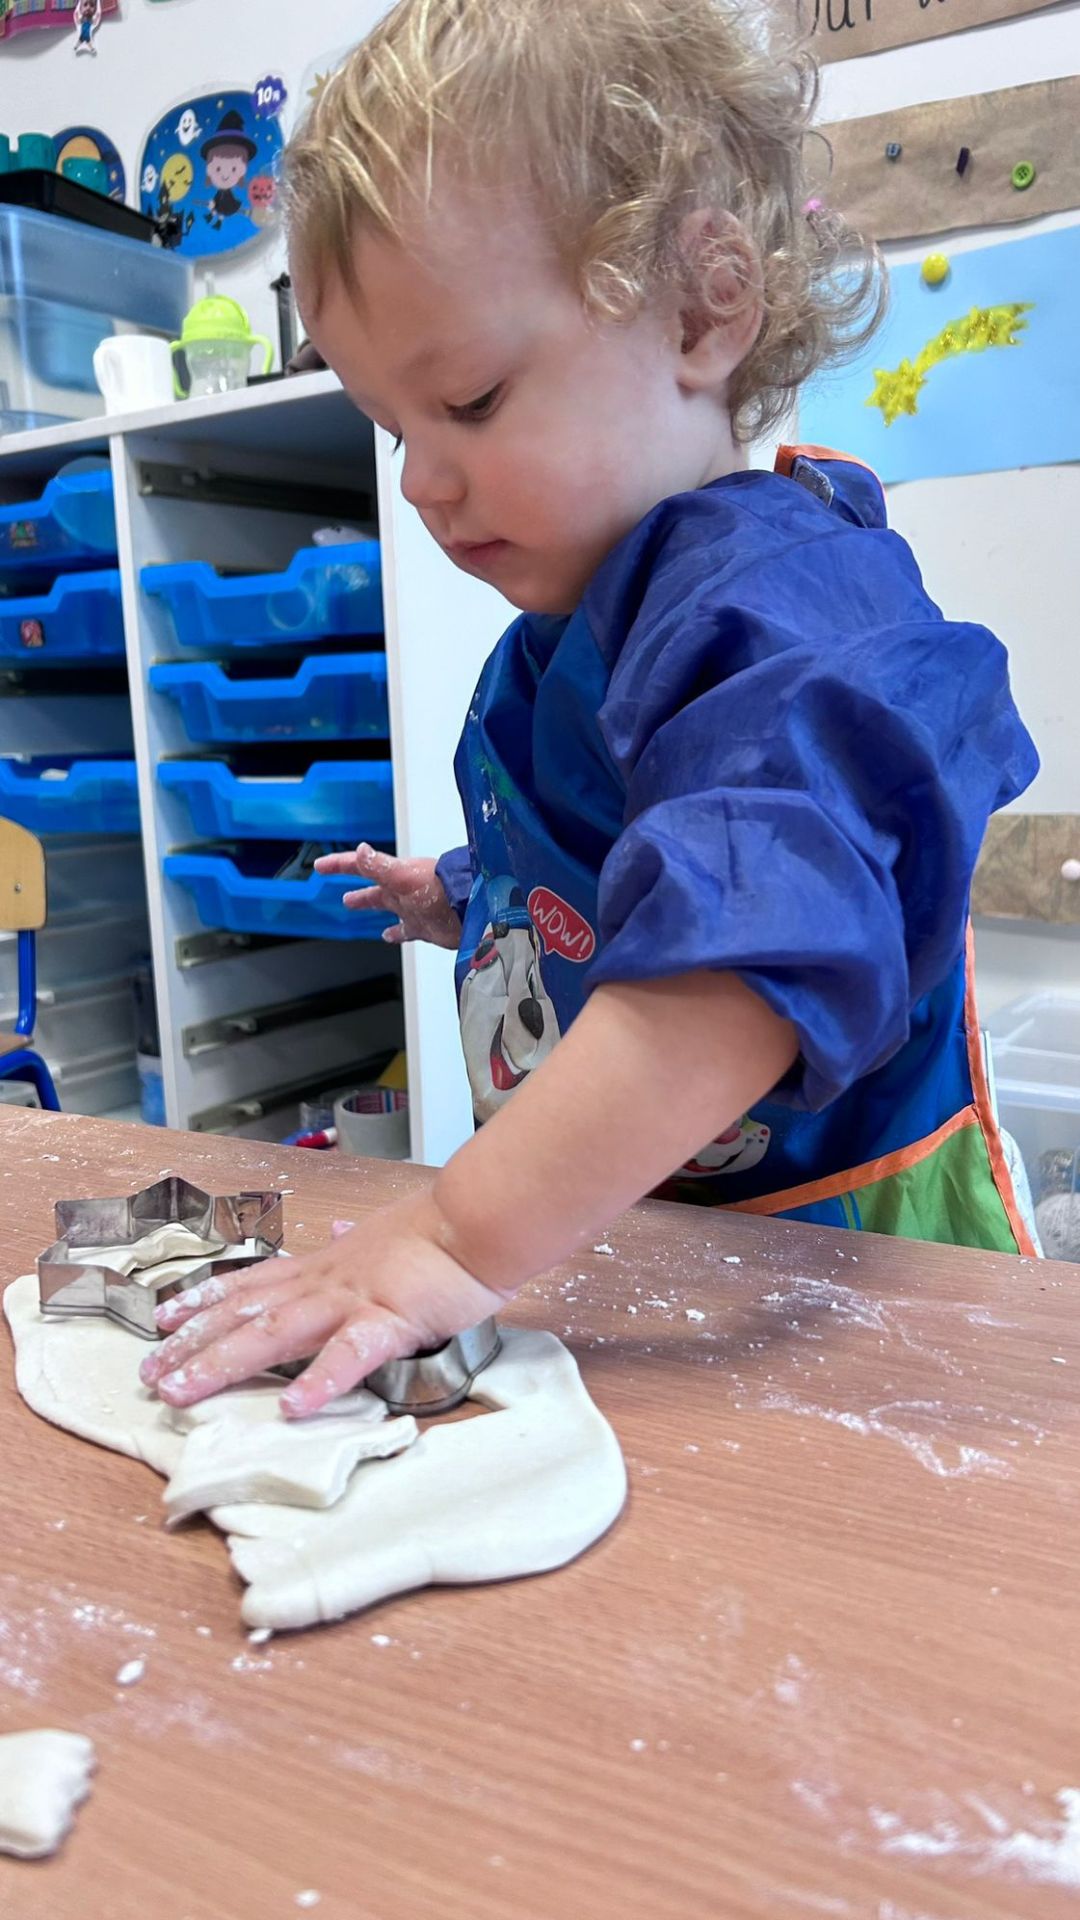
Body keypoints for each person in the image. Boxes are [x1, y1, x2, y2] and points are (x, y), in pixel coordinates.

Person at [141, 0, 1038, 1420]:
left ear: (700, 309)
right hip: (653, 1248)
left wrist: (442, 1237)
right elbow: (619, 864)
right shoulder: (558, 627)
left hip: (852, 1281)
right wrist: (466, 891)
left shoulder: (786, 610)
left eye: (474, 401)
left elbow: (746, 954)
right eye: (395, 430)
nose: (421, 485)